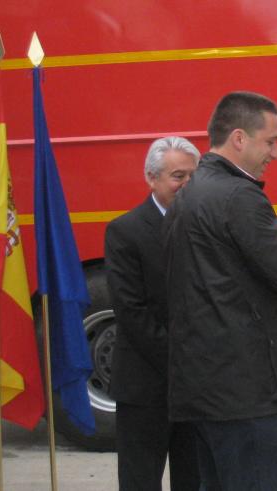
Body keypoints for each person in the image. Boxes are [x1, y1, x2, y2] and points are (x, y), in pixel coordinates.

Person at [163, 91, 277, 490]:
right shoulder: (239, 196)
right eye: (271, 140)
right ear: (239, 138)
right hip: (243, 391)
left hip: (202, 389)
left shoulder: (188, 195)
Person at [105, 136, 201, 491]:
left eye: (194, 176)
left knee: (194, 479)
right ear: (151, 178)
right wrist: (181, 358)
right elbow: (131, 311)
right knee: (140, 480)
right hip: (145, 386)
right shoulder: (125, 231)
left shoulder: (206, 227)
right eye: (178, 176)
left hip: (195, 388)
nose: (187, 185)